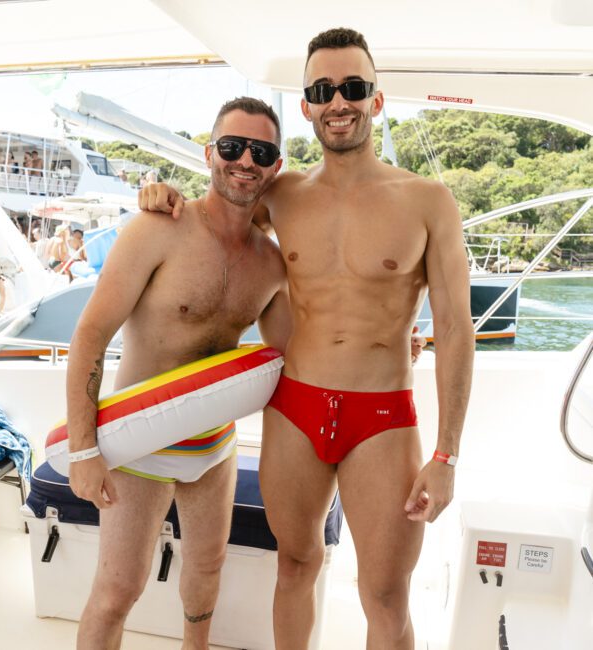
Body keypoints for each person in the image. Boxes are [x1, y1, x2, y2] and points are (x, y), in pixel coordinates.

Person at [138, 27, 473, 650]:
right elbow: (221, 205)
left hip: (383, 419)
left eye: (353, 87)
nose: (338, 101)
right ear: (307, 105)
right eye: (323, 89)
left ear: (376, 98)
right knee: (294, 566)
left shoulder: (428, 201)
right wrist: (163, 194)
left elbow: (455, 329)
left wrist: (447, 456)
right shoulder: (282, 195)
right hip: (294, 408)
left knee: (385, 598)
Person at [65, 97, 292, 650]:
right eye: (233, 146)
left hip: (213, 446)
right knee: (118, 590)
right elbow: (90, 336)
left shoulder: (271, 263)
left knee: (207, 571)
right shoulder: (157, 228)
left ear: (275, 165)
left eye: (260, 151)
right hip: (138, 444)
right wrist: (82, 449)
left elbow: (294, 351)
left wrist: (388, 341)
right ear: (210, 152)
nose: (245, 161)